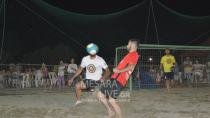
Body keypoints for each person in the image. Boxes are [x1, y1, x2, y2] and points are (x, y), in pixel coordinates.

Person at [97, 40, 139, 118]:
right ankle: (110, 112)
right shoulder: (129, 54)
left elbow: (131, 67)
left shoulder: (134, 54)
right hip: (114, 78)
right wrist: (117, 69)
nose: (127, 45)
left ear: (134, 45)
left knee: (112, 100)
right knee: (100, 95)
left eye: (129, 43)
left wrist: (119, 70)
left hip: (119, 80)